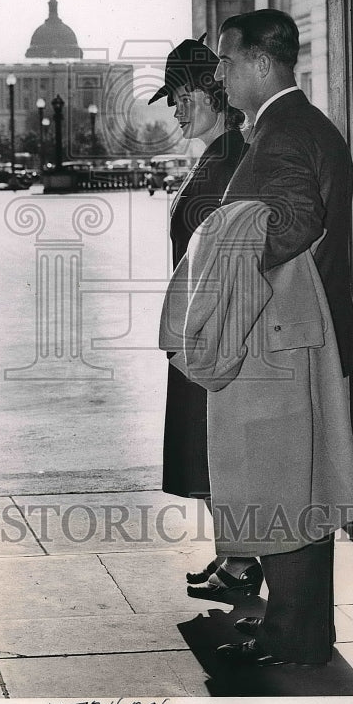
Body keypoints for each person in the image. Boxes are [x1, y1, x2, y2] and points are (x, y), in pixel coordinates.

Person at [211, 8, 353, 667]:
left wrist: (223, 260)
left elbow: (293, 221)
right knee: (297, 485)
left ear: (257, 63)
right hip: (300, 333)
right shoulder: (294, 125)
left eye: (224, 59)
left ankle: (295, 639)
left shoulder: (281, 133)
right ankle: (297, 629)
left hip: (285, 341)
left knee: (282, 487)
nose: (218, 73)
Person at [147, 35, 258, 600]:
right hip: (200, 327)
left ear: (216, 94)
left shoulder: (233, 159)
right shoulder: (223, 154)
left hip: (211, 331)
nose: (175, 109)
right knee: (208, 447)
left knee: (219, 447)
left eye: (183, 96)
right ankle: (230, 556)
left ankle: (240, 563)